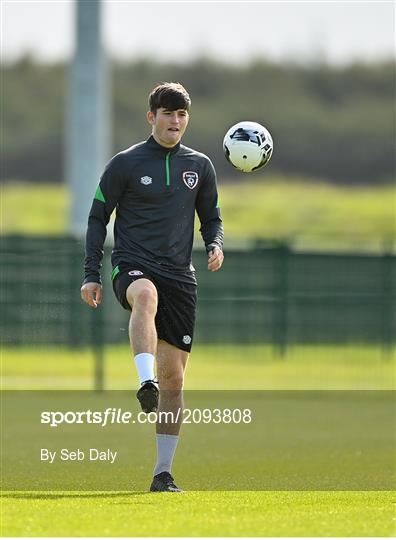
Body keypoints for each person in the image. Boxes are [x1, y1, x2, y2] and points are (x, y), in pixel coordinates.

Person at [80, 82, 224, 492]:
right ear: (151, 117)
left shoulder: (201, 166)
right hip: (133, 264)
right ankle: (145, 381)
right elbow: (96, 219)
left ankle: (163, 473)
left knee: (175, 382)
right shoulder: (125, 164)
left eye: (181, 115)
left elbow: (212, 219)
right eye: (167, 114)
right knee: (145, 294)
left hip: (181, 276)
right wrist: (92, 272)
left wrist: (215, 244)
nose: (175, 121)